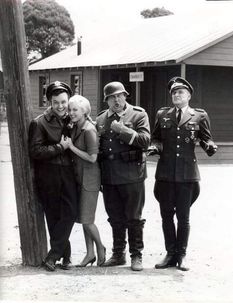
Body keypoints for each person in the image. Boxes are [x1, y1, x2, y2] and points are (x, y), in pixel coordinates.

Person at [150, 76, 217, 271]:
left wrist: (210, 146)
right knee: (166, 216)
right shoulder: (163, 115)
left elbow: (206, 139)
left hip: (187, 175)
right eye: (173, 92)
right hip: (165, 174)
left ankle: (182, 255)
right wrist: (155, 147)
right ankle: (170, 253)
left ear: (188, 95)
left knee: (184, 217)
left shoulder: (199, 116)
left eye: (180, 92)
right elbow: (156, 138)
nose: (176, 95)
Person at [96, 81, 150, 271]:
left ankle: (136, 255)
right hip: (110, 177)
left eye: (120, 96)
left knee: (134, 217)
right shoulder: (101, 119)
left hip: (132, 175)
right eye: (112, 97)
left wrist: (124, 130)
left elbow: (145, 141)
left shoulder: (138, 114)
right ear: (107, 100)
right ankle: (118, 254)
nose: (116, 100)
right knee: (115, 217)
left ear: (126, 96)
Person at [29, 81, 78, 271]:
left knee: (71, 212)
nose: (60, 106)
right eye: (56, 102)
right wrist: (60, 147)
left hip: (68, 172)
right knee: (53, 215)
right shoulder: (39, 122)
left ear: (68, 101)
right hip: (48, 173)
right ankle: (65, 257)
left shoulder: (72, 118)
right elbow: (36, 151)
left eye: (63, 102)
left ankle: (52, 256)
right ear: (49, 101)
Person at [66, 95, 106, 267]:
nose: (71, 113)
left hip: (89, 180)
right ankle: (90, 254)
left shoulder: (89, 129)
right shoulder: (76, 127)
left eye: (75, 110)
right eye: (70, 109)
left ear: (84, 111)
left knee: (87, 220)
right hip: (79, 178)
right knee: (83, 217)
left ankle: (101, 247)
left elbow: (92, 157)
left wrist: (71, 147)